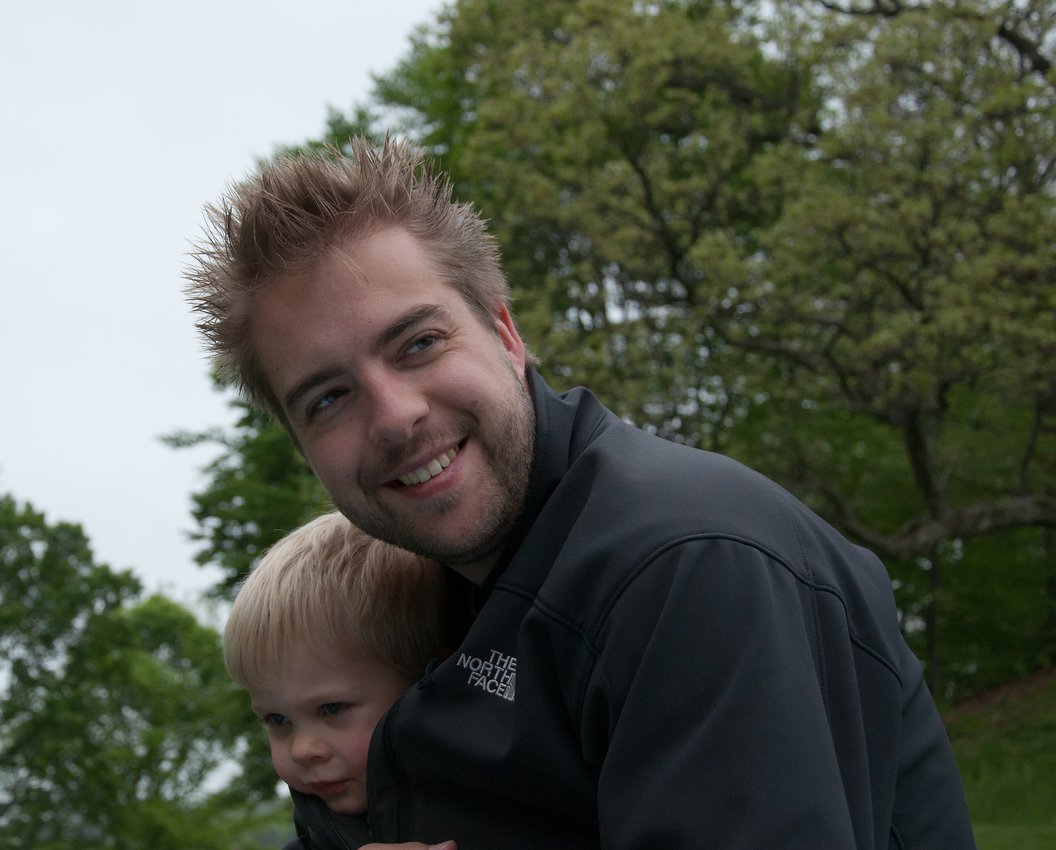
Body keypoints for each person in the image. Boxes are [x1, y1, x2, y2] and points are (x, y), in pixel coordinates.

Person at [187, 137, 976, 849]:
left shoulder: (680, 565)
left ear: (505, 333)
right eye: (327, 398)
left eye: (419, 343)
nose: (395, 417)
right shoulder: (436, 592)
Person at [223, 511, 452, 850]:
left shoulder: (503, 803)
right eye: (277, 719)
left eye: (331, 708)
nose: (302, 750)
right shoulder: (314, 839)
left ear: (428, 683)